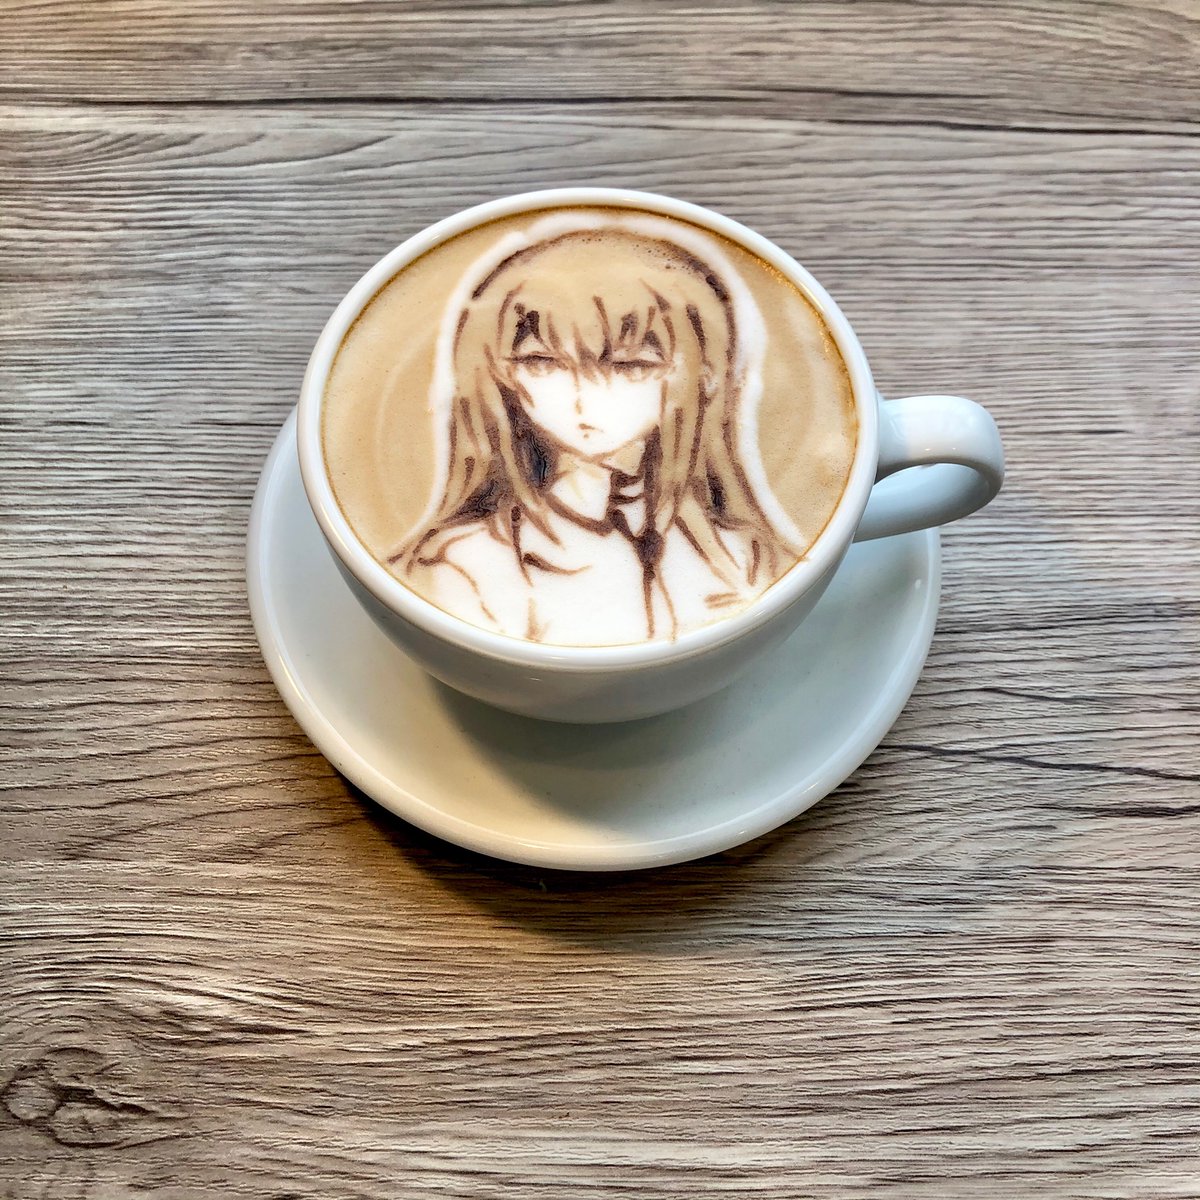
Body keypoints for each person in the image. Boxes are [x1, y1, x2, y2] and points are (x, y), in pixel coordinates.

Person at [390, 221, 796, 645]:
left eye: (631, 366)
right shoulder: (467, 560)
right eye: (542, 362)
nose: (582, 399)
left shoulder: (743, 555)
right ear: (500, 372)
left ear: (704, 375)